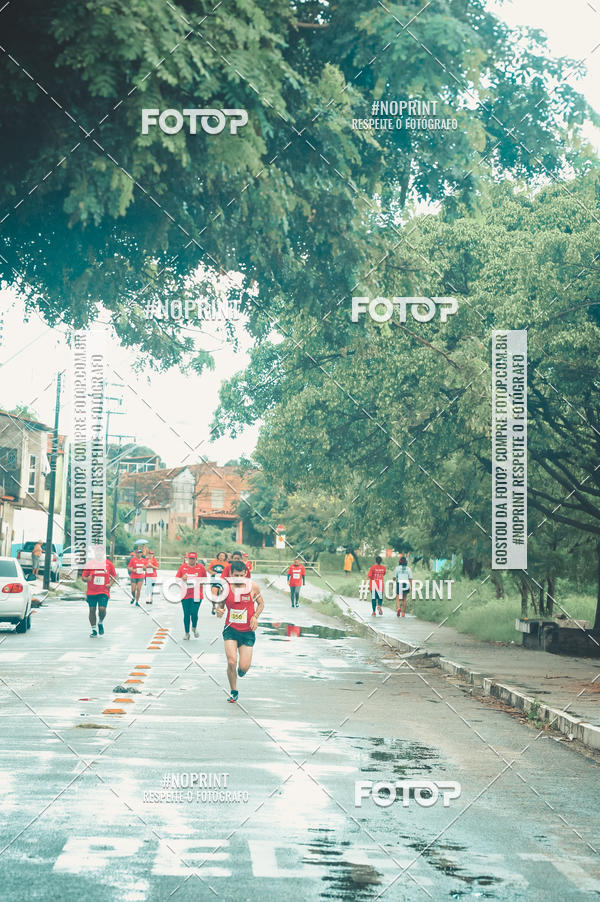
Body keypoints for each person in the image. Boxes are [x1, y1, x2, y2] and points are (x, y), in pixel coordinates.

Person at [216, 559, 264, 703]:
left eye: (242, 575)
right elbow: (221, 605)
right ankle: (233, 690)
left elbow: (261, 604)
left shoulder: (253, 587)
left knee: (243, 667)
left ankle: (239, 672)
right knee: (231, 661)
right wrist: (219, 610)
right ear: (231, 574)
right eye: (236, 575)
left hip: (247, 632)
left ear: (246, 574)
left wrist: (255, 616)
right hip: (230, 629)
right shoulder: (226, 587)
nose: (239, 578)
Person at [82, 556, 118, 637]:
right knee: (92, 610)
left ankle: (100, 622)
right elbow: (83, 577)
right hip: (91, 591)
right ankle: (94, 630)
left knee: (102, 609)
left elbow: (114, 575)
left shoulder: (108, 563)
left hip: (104, 591)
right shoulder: (90, 564)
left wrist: (110, 584)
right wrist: (87, 579)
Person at [176, 552, 208, 639]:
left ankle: (194, 627)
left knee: (194, 613)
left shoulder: (201, 568)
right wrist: (182, 579)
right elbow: (177, 580)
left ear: (196, 559)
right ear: (187, 559)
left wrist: (197, 581)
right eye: (190, 558)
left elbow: (205, 579)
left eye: (193, 559)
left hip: (197, 594)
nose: (191, 560)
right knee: (186, 614)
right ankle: (187, 633)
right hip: (185, 594)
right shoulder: (182, 567)